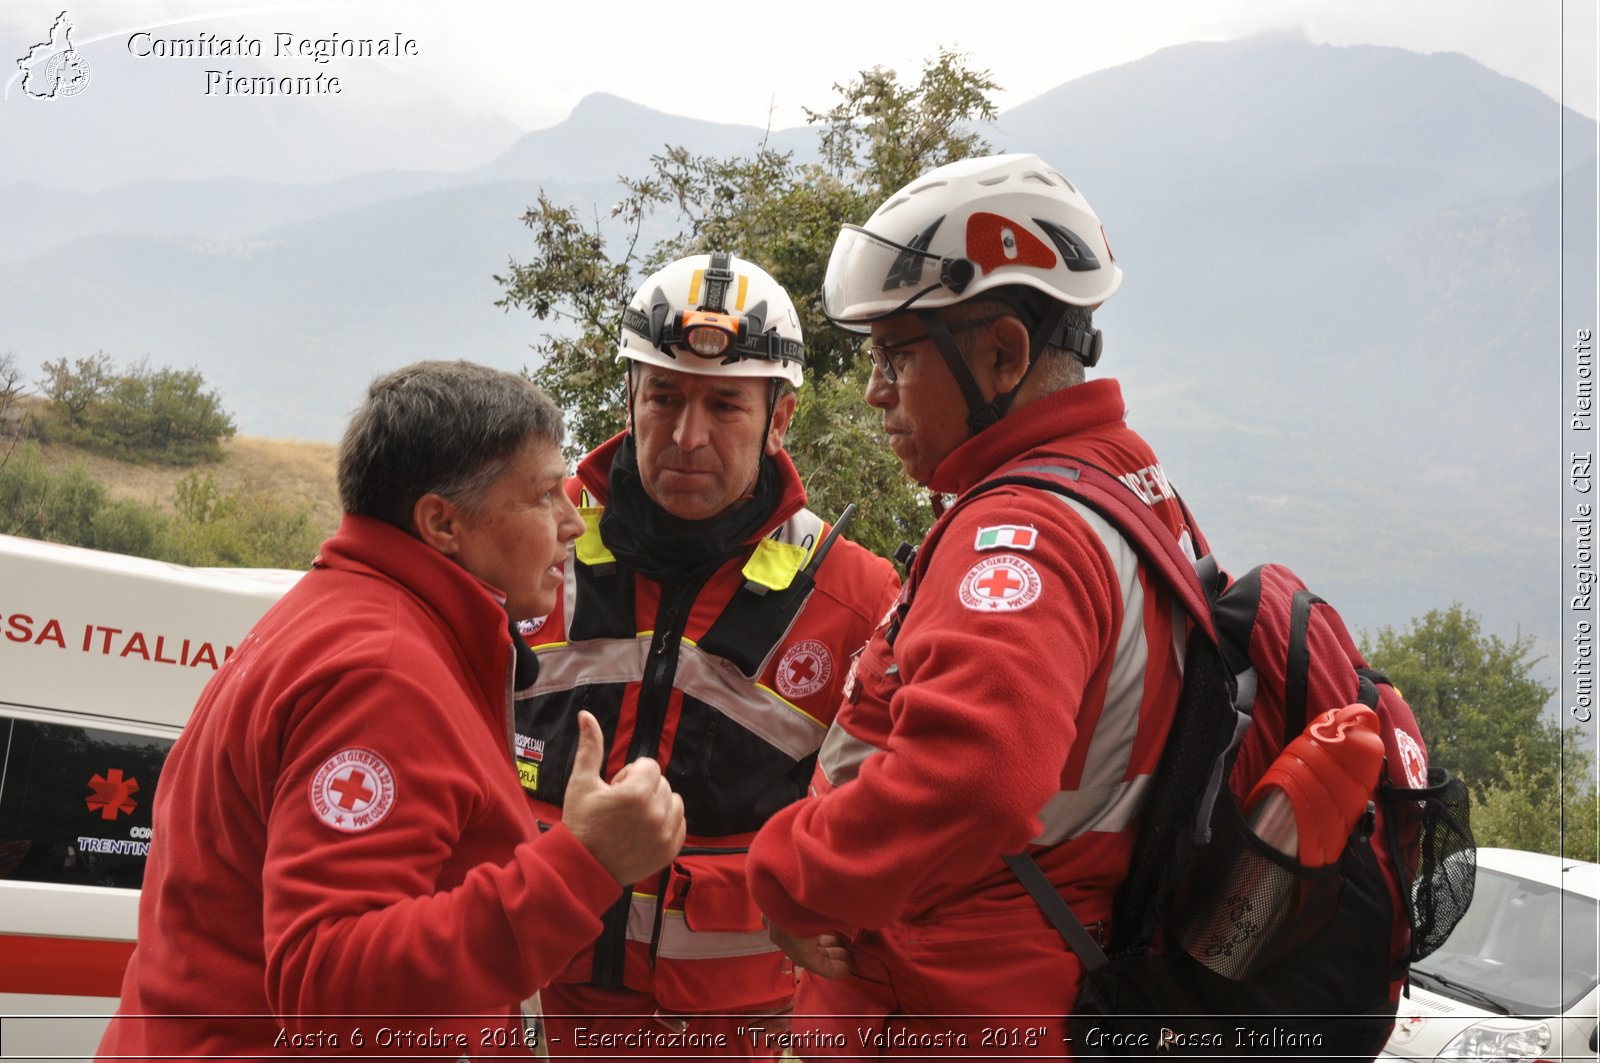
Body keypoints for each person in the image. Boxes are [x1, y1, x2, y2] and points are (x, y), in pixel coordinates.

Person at [97, 361, 686, 1060]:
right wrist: (582, 864)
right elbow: (327, 982)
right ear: (441, 521)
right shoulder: (382, 673)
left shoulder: (343, 615)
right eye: (540, 496)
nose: (570, 524)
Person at [746, 153, 1202, 1056]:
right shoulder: (1123, 480)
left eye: (897, 355)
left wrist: (792, 874)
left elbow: (975, 779)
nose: (875, 390)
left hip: (956, 1008)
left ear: (1003, 353)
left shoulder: (1023, 532)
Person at [512, 252, 901, 1055]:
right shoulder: (523, 540)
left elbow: (893, 816)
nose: (687, 436)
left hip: (722, 1031)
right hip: (520, 1004)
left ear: (780, 419)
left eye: (725, 405)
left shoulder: (857, 600)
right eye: (664, 397)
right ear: (630, 395)